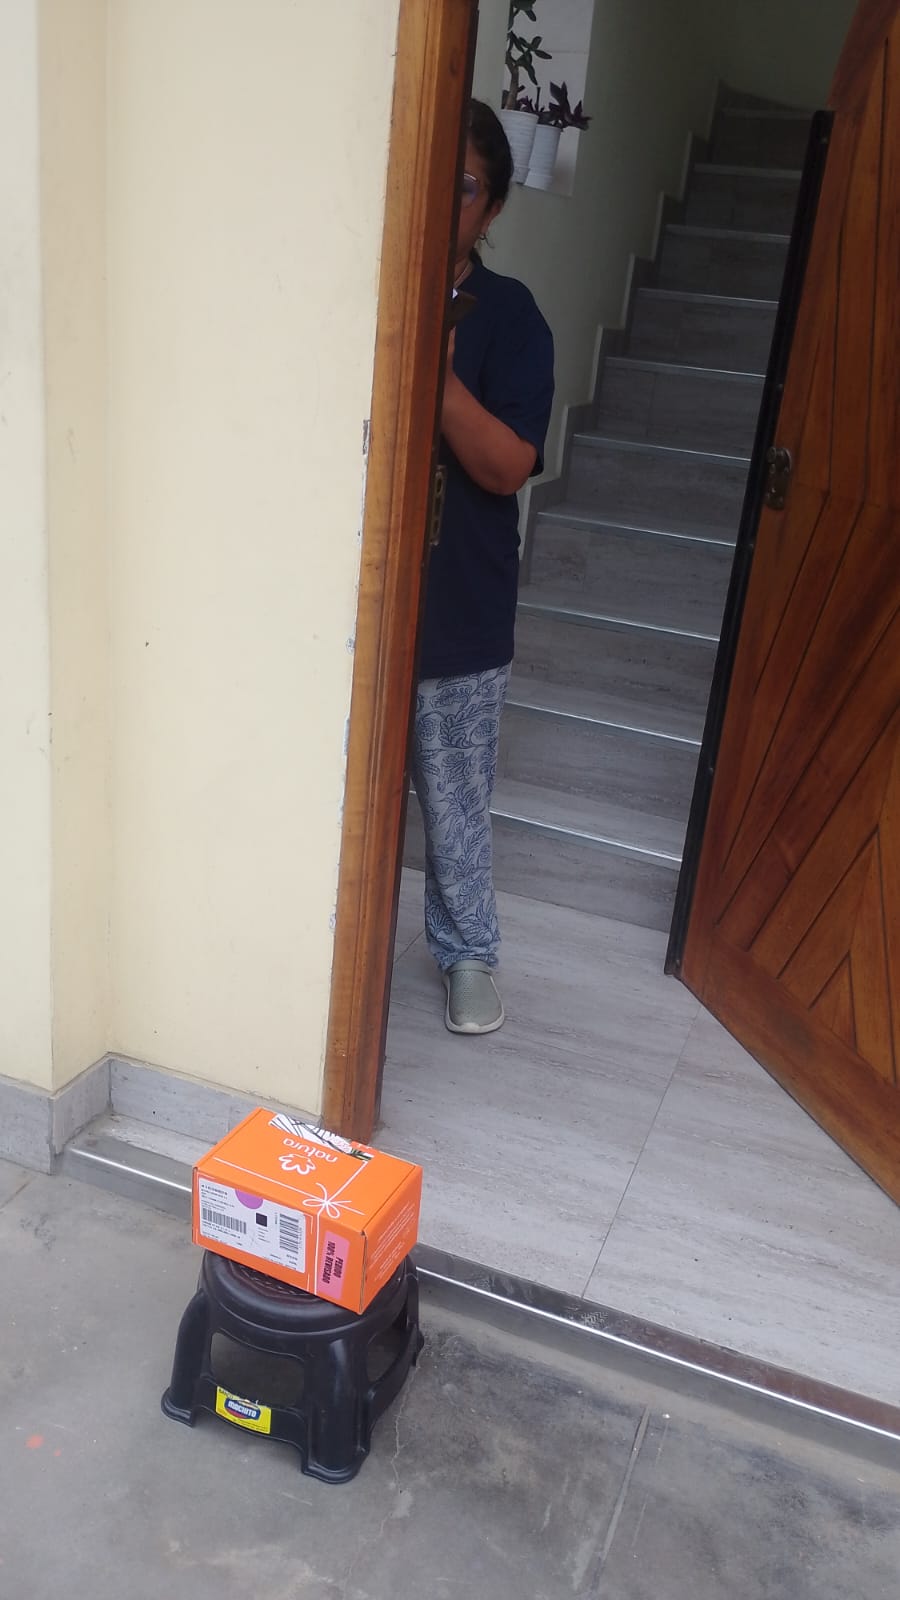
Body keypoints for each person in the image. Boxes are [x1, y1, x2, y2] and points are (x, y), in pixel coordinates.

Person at [411, 98, 555, 1036]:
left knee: (457, 802)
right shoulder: (370, 292)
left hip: (462, 605)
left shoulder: (512, 318)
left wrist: (440, 381)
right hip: (362, 602)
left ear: (493, 207)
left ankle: (468, 954)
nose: (444, 202)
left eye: (463, 187)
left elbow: (507, 466)